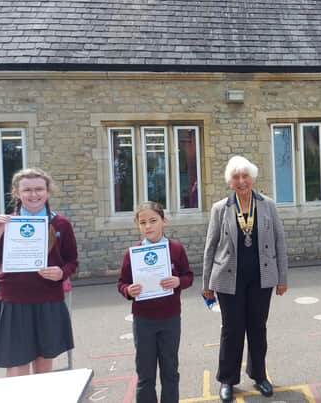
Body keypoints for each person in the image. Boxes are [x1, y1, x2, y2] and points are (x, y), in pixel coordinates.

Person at [0, 167, 78, 377]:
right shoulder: (5, 224)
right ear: (17, 193)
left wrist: (61, 272)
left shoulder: (61, 224)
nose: (34, 195)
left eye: (39, 189)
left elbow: (72, 262)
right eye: (27, 190)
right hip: (14, 304)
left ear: (48, 192)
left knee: (44, 370)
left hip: (48, 302)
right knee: (17, 371)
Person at [202, 155, 289, 403]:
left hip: (261, 278)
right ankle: (227, 380)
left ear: (252, 178)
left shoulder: (268, 205)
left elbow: (279, 242)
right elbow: (211, 246)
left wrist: (282, 277)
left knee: (257, 328)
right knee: (232, 329)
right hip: (228, 279)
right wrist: (206, 284)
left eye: (245, 176)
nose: (241, 181)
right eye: (236, 177)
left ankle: (259, 375)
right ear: (230, 181)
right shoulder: (221, 208)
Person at [117, 201, 193, 403]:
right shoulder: (132, 253)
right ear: (138, 226)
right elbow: (122, 283)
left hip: (170, 319)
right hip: (144, 321)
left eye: (153, 220)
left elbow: (188, 276)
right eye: (143, 222)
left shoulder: (175, 249)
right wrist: (129, 290)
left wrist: (178, 281)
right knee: (145, 373)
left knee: (170, 370)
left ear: (163, 221)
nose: (148, 226)